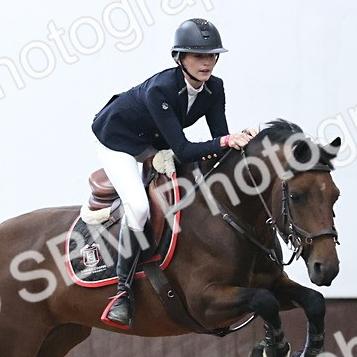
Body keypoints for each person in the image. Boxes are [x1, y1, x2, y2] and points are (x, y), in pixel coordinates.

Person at [91, 18, 257, 329]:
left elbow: (219, 140)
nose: (207, 63)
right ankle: (123, 293)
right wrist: (225, 141)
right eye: (198, 56)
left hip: (154, 140)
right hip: (117, 141)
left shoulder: (215, 88)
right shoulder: (161, 89)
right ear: (179, 58)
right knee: (139, 206)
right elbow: (183, 149)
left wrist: (244, 140)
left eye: (212, 56)